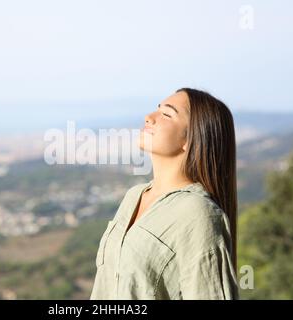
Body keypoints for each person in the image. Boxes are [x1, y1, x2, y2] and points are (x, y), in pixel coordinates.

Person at [90, 88, 239, 300]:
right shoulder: (134, 196)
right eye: (157, 109)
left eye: (167, 114)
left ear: (191, 138)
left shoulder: (197, 213)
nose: (149, 118)